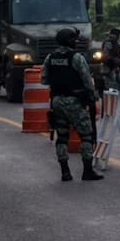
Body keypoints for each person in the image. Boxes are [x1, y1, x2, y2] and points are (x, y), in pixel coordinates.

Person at [41, 27, 103, 182]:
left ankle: (65, 172)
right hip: (74, 101)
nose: (76, 41)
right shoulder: (76, 57)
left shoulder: (50, 57)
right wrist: (92, 96)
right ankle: (87, 171)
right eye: (73, 39)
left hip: (57, 101)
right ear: (68, 41)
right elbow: (87, 80)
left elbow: (44, 79)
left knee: (61, 137)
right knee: (86, 135)